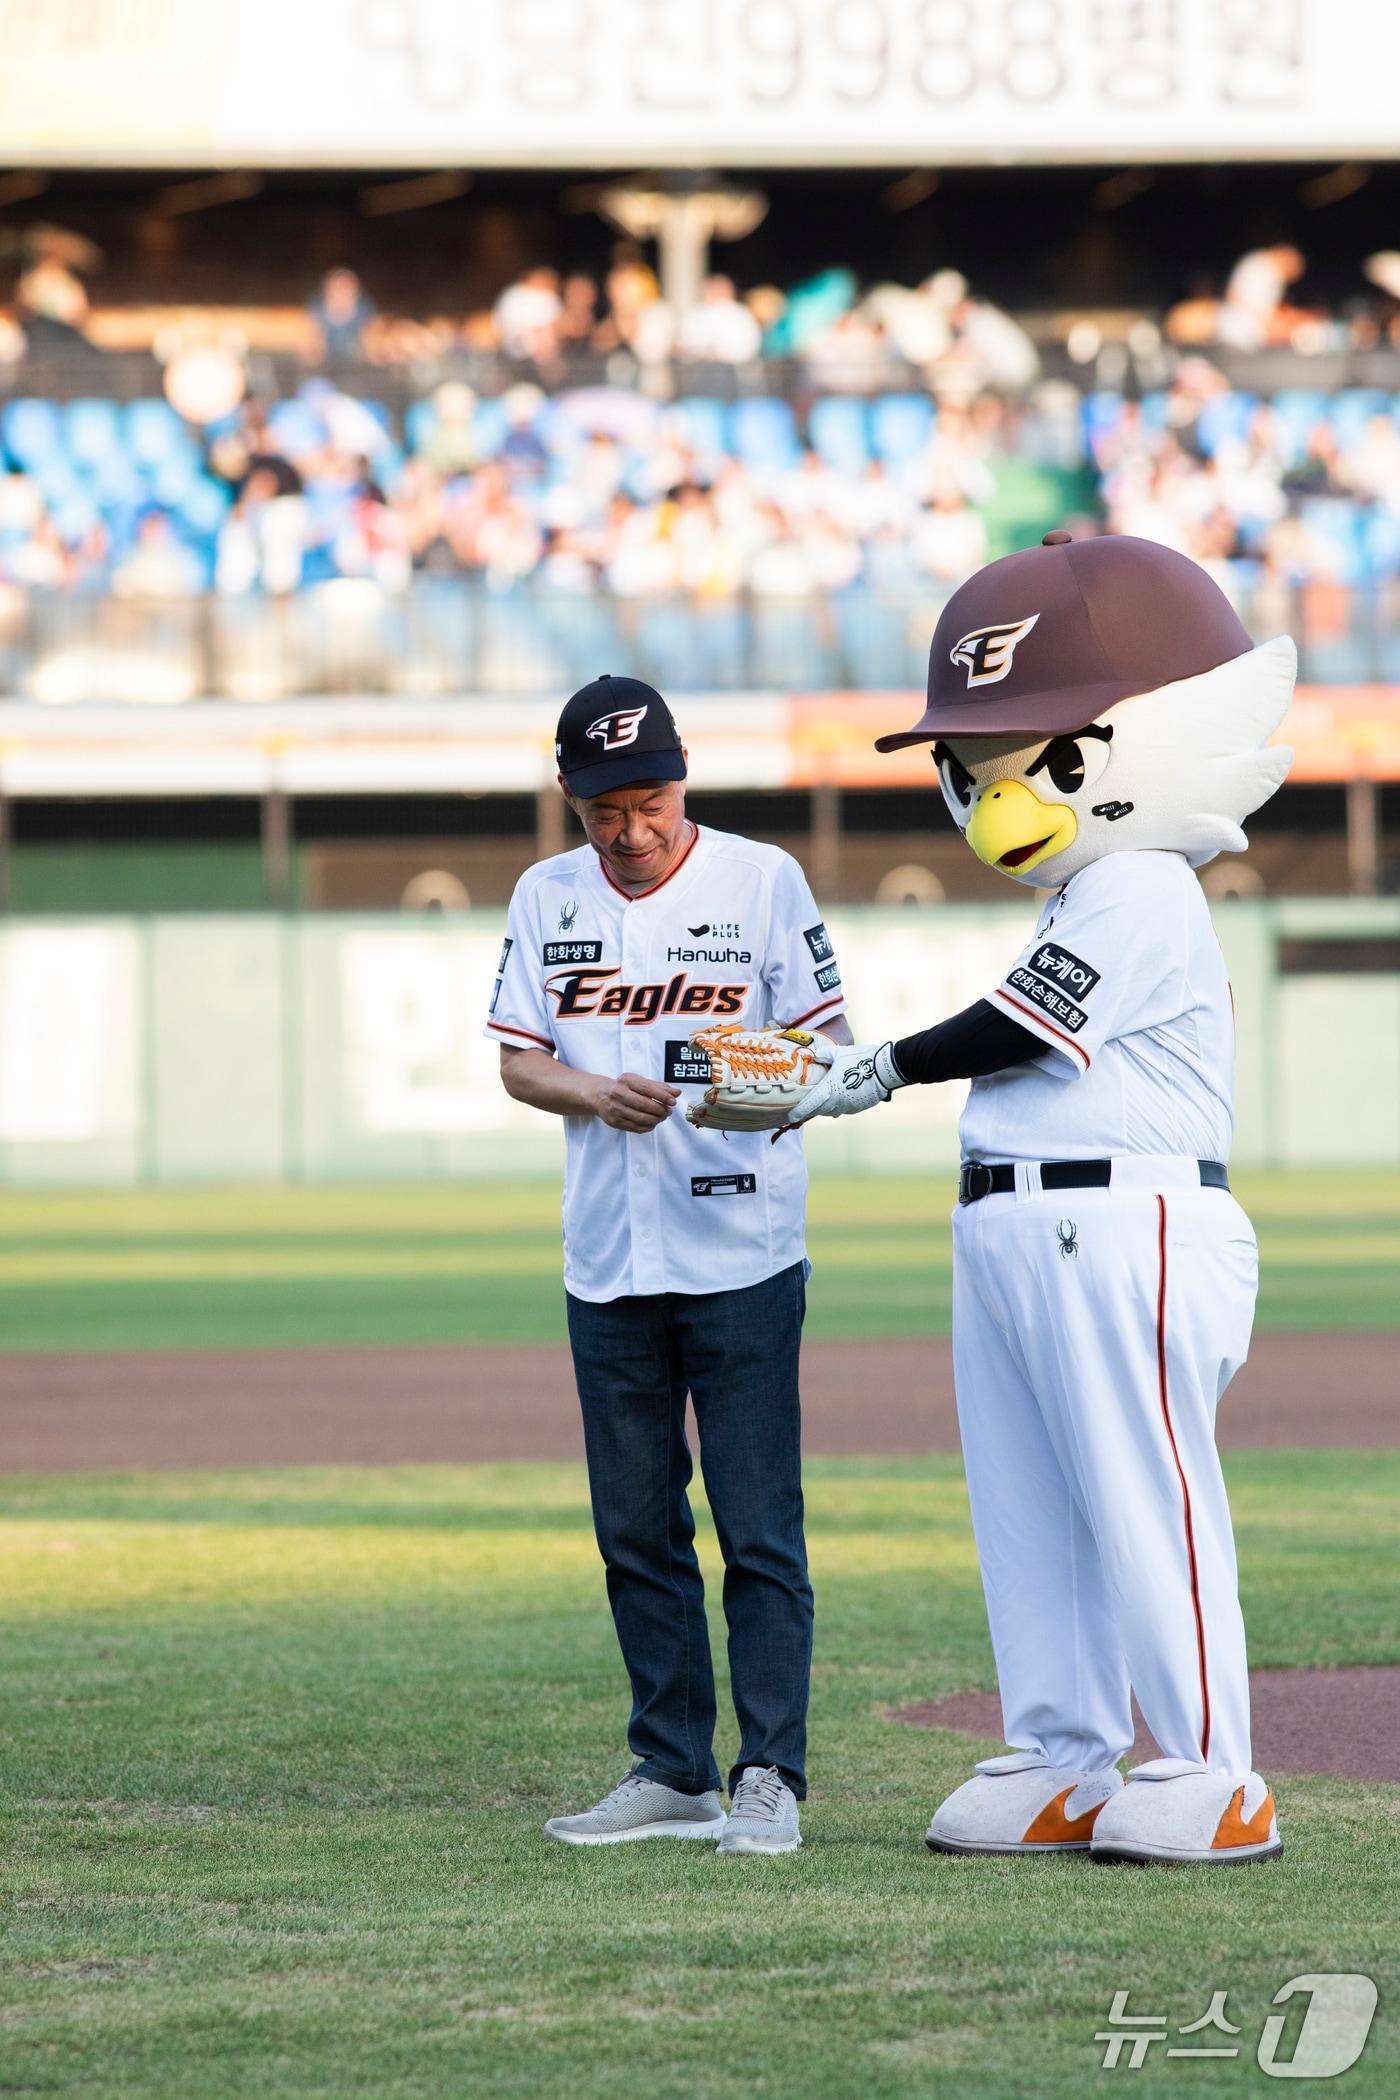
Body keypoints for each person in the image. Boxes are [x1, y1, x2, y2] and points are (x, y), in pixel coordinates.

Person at [709, 533, 1295, 1867]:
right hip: (1020, 1224)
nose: (995, 800)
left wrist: (861, 1071)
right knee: (1028, 1505)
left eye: (1046, 757)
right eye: (969, 770)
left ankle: (1212, 1768)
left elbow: (1027, 1027)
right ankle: (1065, 1758)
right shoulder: (1081, 893)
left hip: (1132, 1221)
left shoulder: (1142, 883)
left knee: (1144, 1494)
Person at [487, 675, 853, 1855]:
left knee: (756, 1528)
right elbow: (517, 1061)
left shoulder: (760, 880)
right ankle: (670, 1767)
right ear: (570, 800)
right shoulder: (545, 895)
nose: (630, 831)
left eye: (648, 801)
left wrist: (716, 1080)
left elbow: (827, 1052)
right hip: (605, 1256)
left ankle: (770, 1775)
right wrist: (595, 1089)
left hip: (740, 1251)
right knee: (635, 1530)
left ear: (681, 778)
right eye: (603, 810)